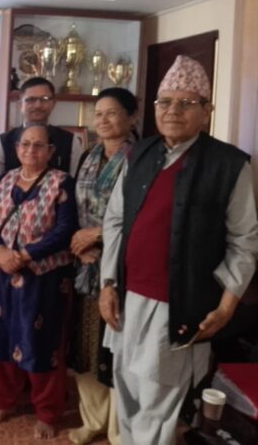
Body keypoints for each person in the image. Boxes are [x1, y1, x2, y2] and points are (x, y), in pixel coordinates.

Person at [99, 55, 258, 445]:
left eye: (187, 103)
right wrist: (108, 283)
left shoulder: (229, 165)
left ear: (207, 111)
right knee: (126, 389)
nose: (173, 111)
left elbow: (244, 241)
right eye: (165, 102)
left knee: (158, 402)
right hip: (128, 297)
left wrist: (227, 306)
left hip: (178, 305)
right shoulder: (138, 154)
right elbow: (115, 220)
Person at [0, 124, 77, 439]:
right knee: (0, 337)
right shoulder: (5, 179)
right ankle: (2, 401)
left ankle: (47, 412)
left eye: (38, 145)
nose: (30, 151)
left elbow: (65, 229)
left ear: (51, 151)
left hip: (43, 277)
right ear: (16, 149)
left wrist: (24, 255)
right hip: (2, 273)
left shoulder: (61, 182)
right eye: (25, 145)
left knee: (41, 342)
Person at [68, 88, 138, 445]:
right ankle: (93, 419)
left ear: (132, 117)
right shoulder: (88, 155)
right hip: (86, 266)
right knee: (86, 347)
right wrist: (81, 247)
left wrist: (99, 234)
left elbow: (144, 215)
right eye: (98, 114)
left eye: (112, 113)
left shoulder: (143, 158)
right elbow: (74, 209)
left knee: (118, 349)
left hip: (124, 266)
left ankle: (119, 430)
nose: (103, 120)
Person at [0, 77, 83, 176]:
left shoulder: (71, 142)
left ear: (53, 104)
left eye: (44, 99)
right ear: (20, 105)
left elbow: (76, 181)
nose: (38, 105)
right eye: (31, 100)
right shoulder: (2, 143)